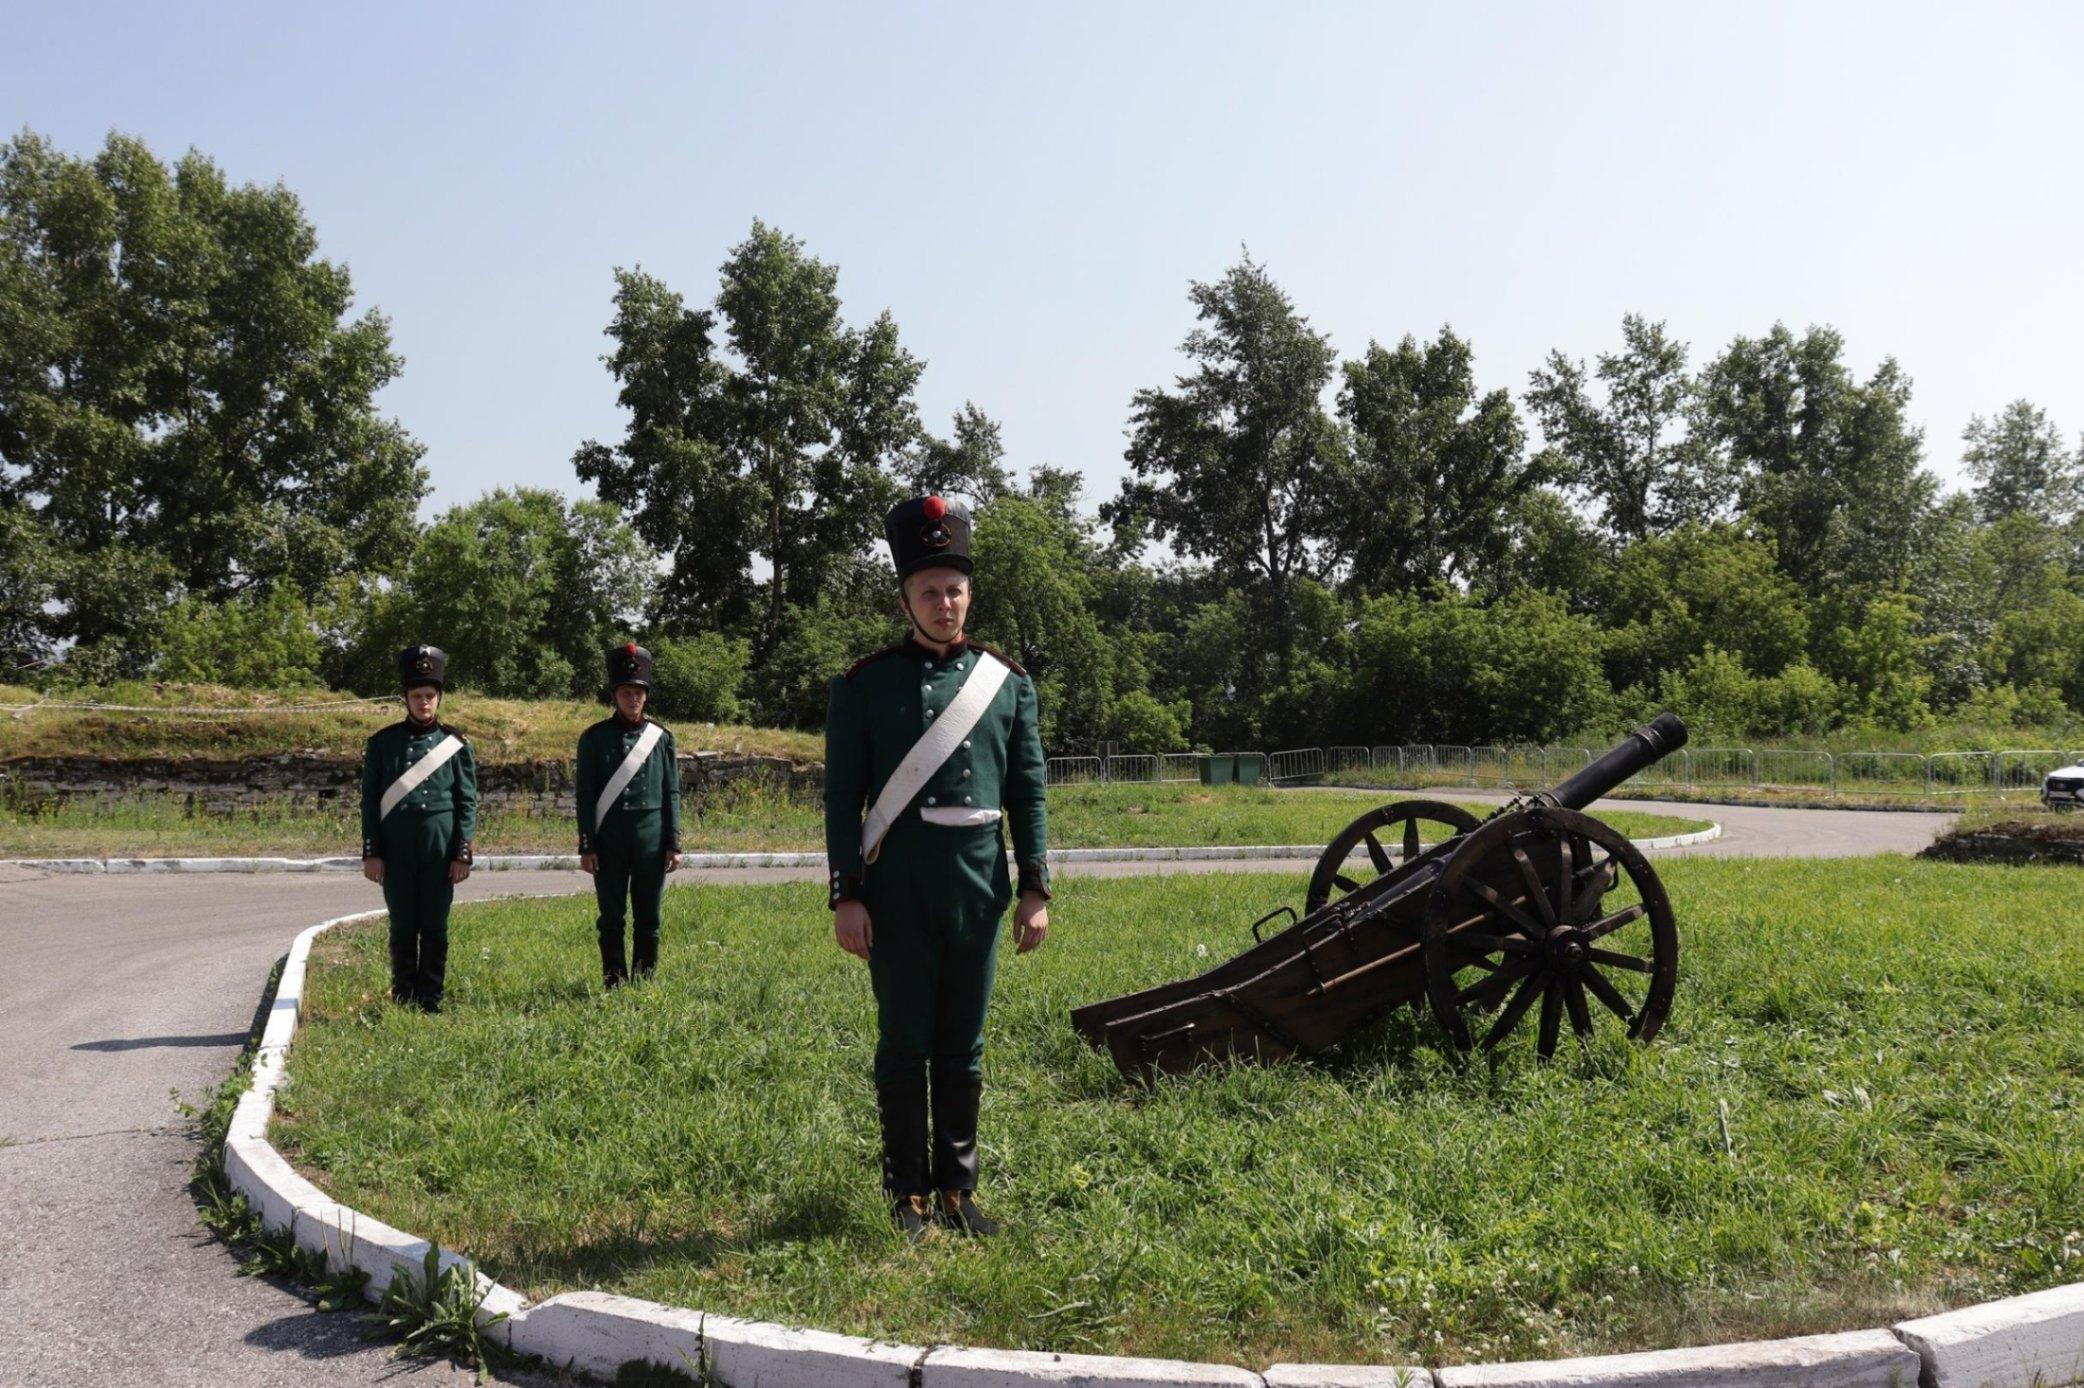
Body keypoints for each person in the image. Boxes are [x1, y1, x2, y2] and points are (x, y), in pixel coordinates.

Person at [824, 494, 1051, 1239]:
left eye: (954, 589)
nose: (944, 603)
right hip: (894, 896)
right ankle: (907, 1195)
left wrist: (1035, 889)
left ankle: (958, 1189)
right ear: (906, 600)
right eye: (929, 591)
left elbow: (1028, 791)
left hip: (978, 892)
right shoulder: (863, 685)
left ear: (969, 594)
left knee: (965, 1042)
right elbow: (840, 801)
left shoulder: (1009, 684)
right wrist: (846, 896)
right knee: (904, 1039)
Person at [359, 645, 477, 1012]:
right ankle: (403, 994)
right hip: (395, 851)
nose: (423, 702)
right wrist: (372, 852)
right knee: (402, 925)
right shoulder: (382, 744)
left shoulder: (454, 744)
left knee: (436, 926)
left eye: (429, 696)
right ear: (405, 698)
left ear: (439, 698)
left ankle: (431, 998)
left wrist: (462, 853)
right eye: (416, 696)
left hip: (439, 851)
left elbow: (466, 802)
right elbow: (369, 801)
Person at [576, 642, 683, 987]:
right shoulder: (593, 739)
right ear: (615, 695)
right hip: (608, 842)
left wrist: (674, 842)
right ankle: (613, 980)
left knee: (649, 917)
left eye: (638, 692)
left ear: (646, 696)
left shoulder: (661, 738)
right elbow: (585, 795)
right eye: (626, 692)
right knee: (611, 917)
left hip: (651, 841)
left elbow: (672, 792)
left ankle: (644, 981)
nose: (633, 698)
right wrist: (587, 845)